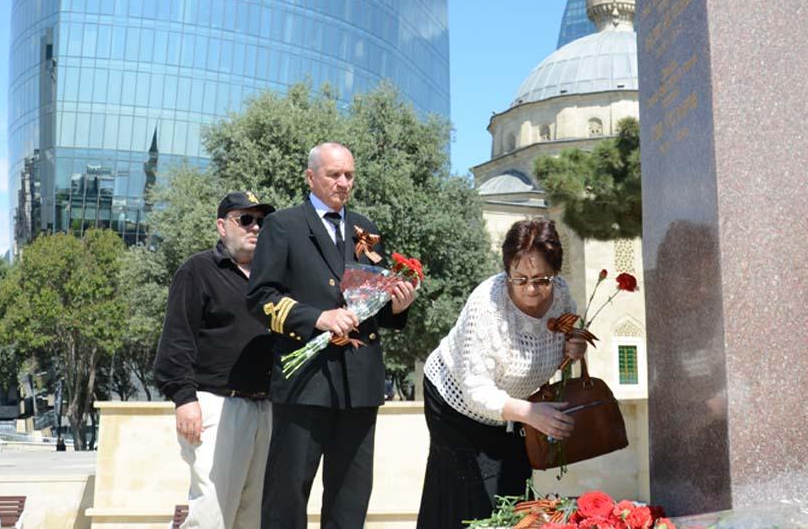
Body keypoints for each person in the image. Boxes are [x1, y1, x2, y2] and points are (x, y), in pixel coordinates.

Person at [247, 142, 417, 529]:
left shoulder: (366, 230)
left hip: (360, 383)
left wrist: (398, 306)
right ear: (311, 177)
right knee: (287, 495)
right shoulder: (284, 225)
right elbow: (259, 299)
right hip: (305, 383)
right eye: (334, 174)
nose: (343, 183)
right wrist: (317, 318)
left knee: (350, 499)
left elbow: (373, 305)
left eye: (349, 175)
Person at [416, 218, 588, 528]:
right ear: (507, 270)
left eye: (541, 279)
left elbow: (558, 345)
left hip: (518, 409)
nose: (532, 289)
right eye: (520, 279)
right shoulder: (487, 304)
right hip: (455, 402)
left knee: (516, 491)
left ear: (555, 272)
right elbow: (476, 391)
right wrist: (529, 412)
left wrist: (572, 349)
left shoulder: (561, 296)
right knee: (466, 498)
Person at [153, 191, 276, 529]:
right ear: (222, 226)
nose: (255, 227)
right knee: (211, 516)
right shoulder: (198, 270)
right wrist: (184, 399)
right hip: (217, 407)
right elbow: (176, 340)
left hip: (266, 408)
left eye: (262, 222)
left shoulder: (273, 278)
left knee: (252, 518)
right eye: (245, 219)